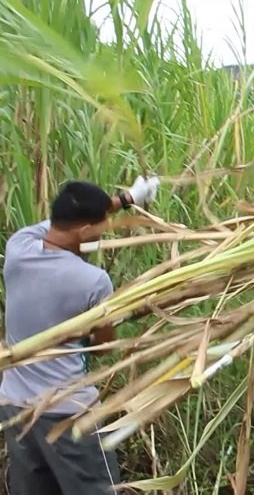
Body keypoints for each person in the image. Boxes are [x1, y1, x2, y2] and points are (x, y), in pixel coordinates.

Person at [0, 176, 160, 495]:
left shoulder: (18, 246)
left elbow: (64, 223)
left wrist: (126, 199)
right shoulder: (93, 281)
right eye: (100, 229)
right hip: (67, 412)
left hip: (15, 405)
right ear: (85, 231)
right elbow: (103, 348)